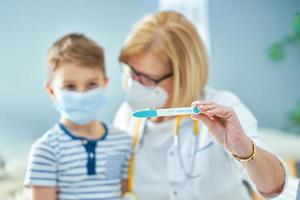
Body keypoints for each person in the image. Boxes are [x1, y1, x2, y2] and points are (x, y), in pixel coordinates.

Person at [114, 11, 288, 200]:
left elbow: (274, 187)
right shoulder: (128, 115)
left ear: (184, 75)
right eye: (132, 72)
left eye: (148, 78)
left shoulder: (223, 107)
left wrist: (242, 147)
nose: (136, 84)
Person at [24, 33, 132, 200]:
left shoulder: (123, 142)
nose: (81, 94)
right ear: (51, 91)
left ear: (105, 83)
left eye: (91, 84)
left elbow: (126, 194)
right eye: (70, 86)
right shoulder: (46, 150)